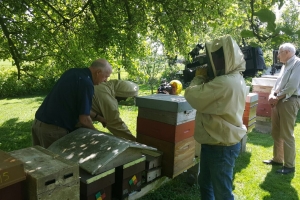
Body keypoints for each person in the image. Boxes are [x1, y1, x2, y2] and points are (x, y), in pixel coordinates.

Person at [184, 35, 247, 200]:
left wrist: (198, 77)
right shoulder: (236, 79)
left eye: (216, 57)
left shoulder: (226, 82)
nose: (213, 61)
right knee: (205, 184)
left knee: (223, 193)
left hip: (220, 146)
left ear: (227, 58)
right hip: (215, 141)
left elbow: (192, 95)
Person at [32, 58, 112, 148]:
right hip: (53, 130)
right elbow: (84, 120)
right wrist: (99, 135)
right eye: (106, 76)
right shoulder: (86, 84)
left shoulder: (73, 72)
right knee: (58, 161)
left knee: (41, 160)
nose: (105, 80)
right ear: (98, 72)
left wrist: (99, 118)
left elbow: (81, 108)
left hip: (38, 124)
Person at [263, 43, 300, 174]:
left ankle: (289, 166)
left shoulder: (297, 63)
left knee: (287, 134)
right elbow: (278, 83)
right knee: (276, 131)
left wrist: (276, 97)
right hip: (279, 100)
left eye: (279, 52)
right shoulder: (285, 65)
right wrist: (272, 94)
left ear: (287, 52)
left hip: (290, 101)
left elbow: (292, 86)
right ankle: (278, 159)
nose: (278, 56)